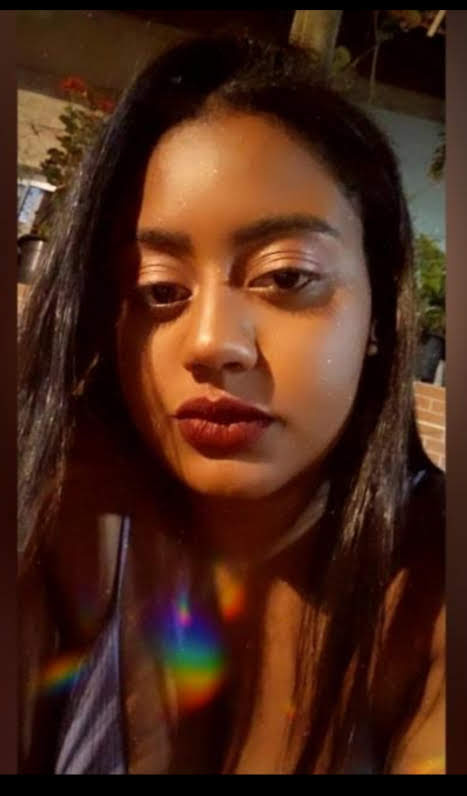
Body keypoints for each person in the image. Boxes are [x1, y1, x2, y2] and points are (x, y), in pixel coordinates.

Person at [18, 34, 445, 775]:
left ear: (379, 309)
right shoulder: (66, 512)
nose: (212, 343)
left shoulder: (430, 595)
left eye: (286, 277)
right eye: (159, 289)